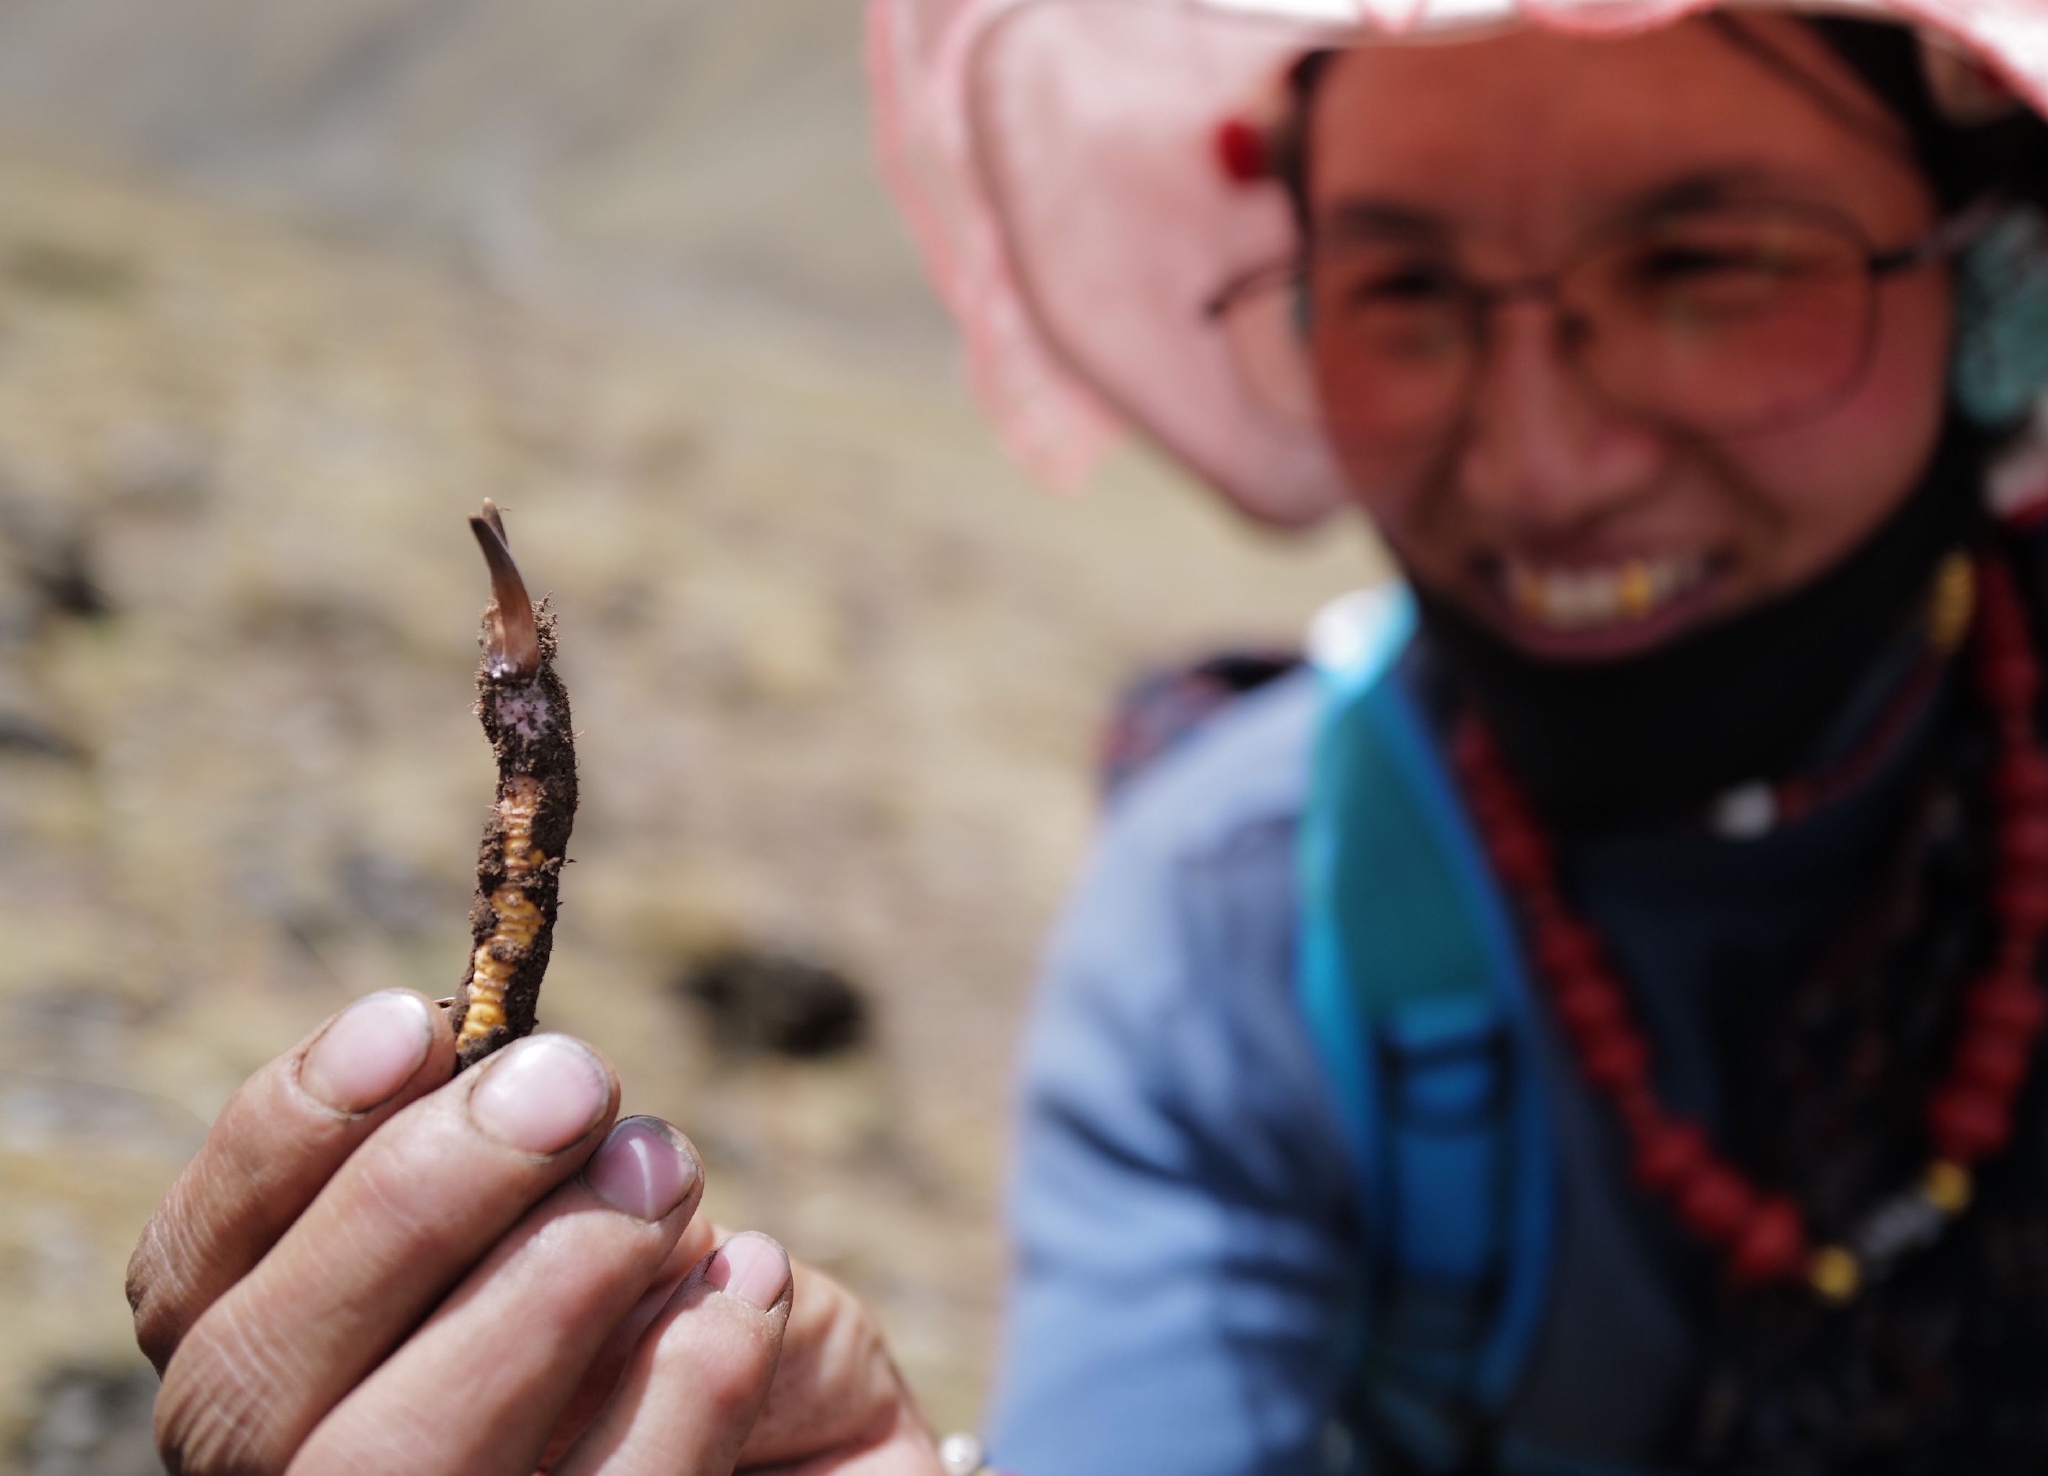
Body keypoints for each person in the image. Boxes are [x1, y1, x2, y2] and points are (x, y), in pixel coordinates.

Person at [131, 0, 2048, 1472]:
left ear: (1993, 285)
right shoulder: (1235, 941)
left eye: (1712, 268)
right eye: (1402, 290)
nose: (1540, 458)